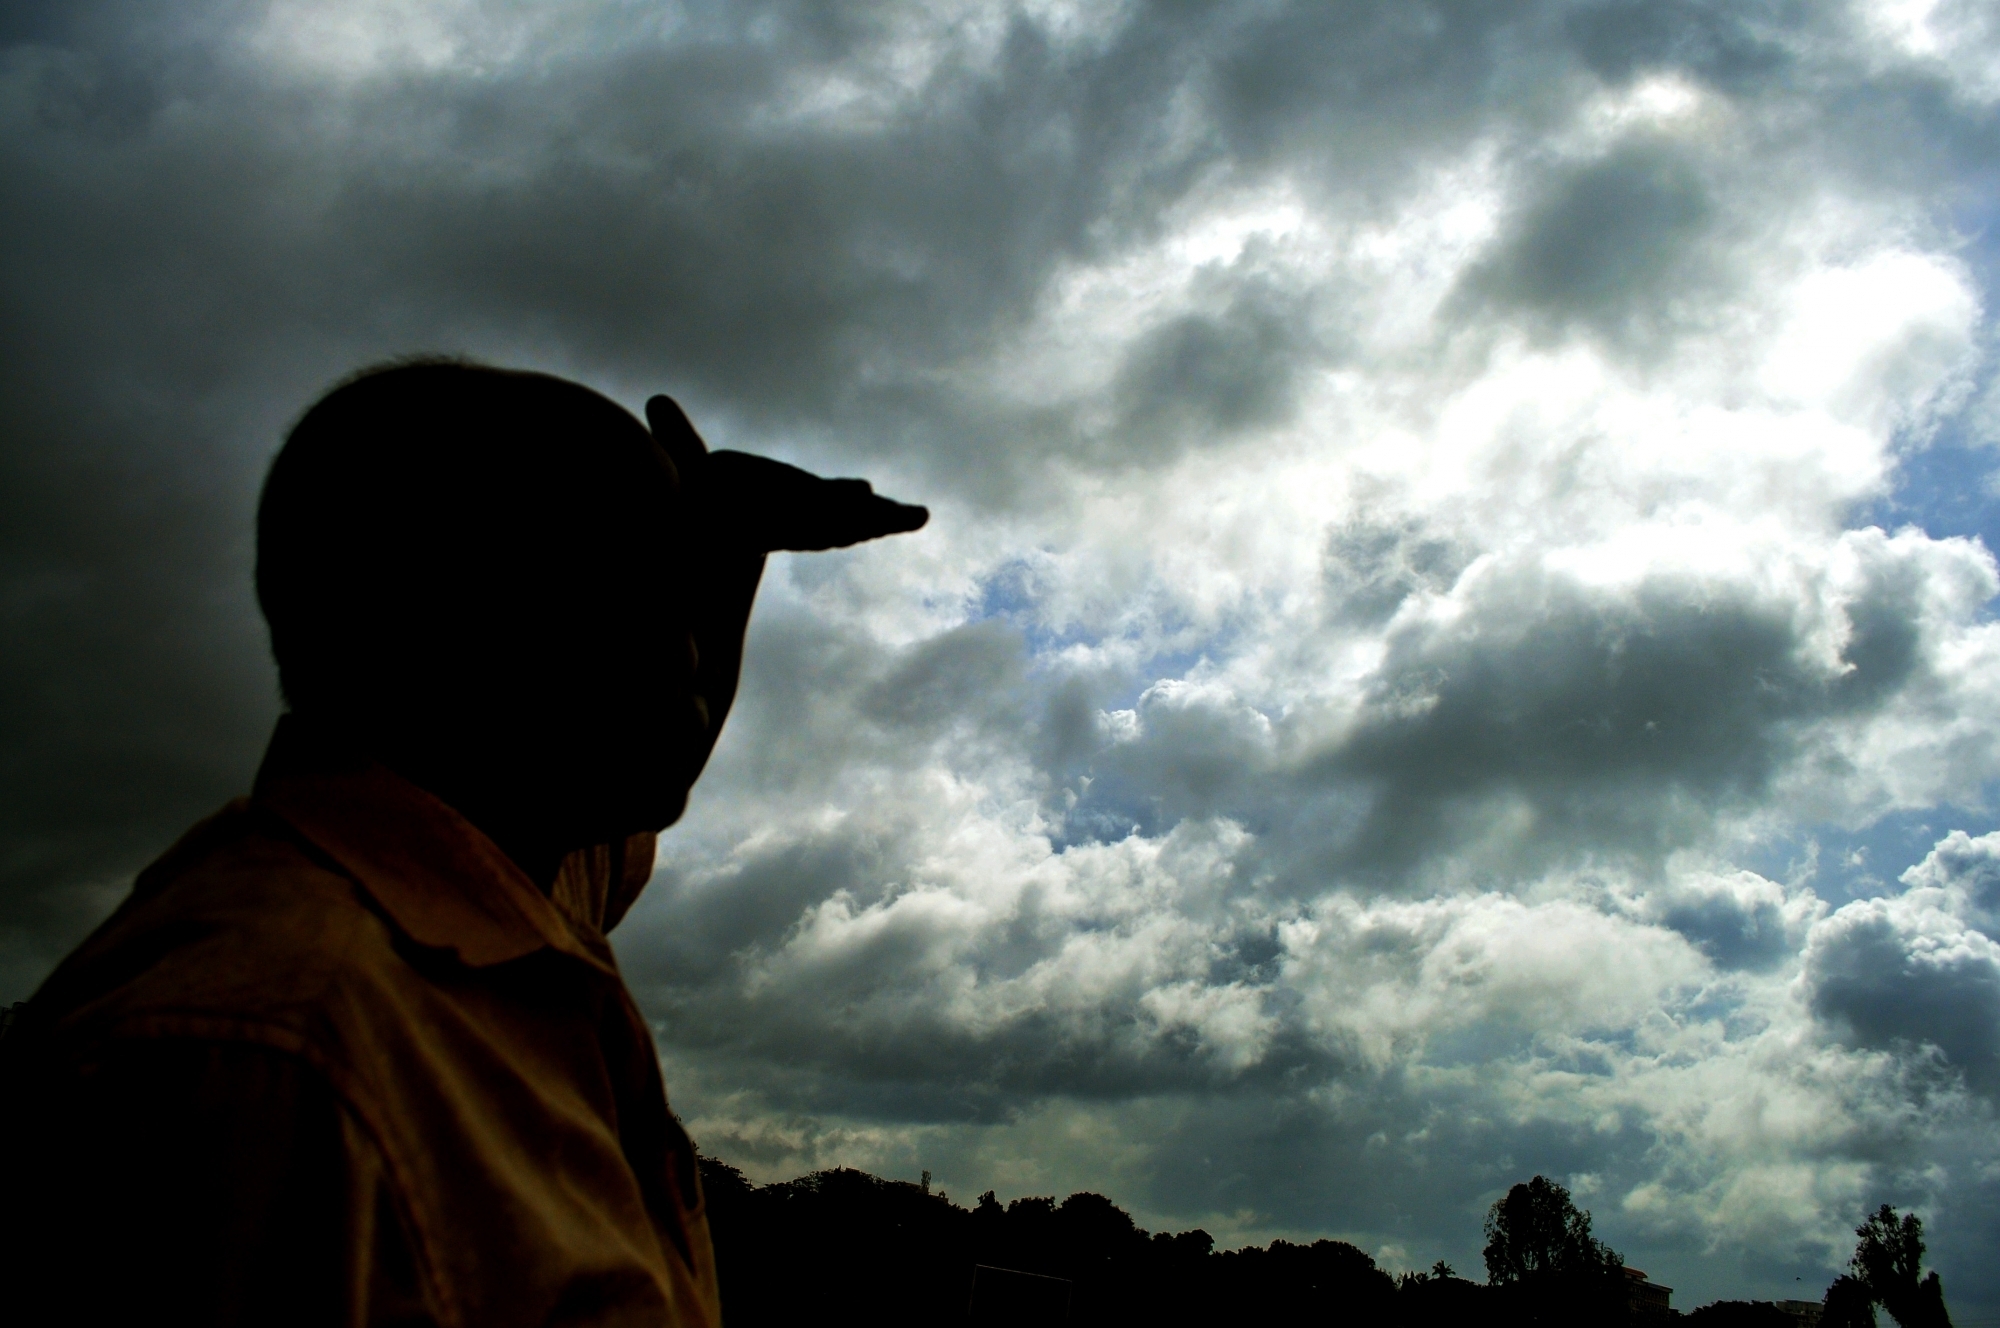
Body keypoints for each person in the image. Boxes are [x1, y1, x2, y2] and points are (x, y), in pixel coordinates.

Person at [0, 360, 928, 1326]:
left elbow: (654, 774)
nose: (688, 638)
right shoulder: (266, 1067)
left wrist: (733, 545)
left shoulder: (483, 885)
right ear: (466, 614)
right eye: (637, 582)